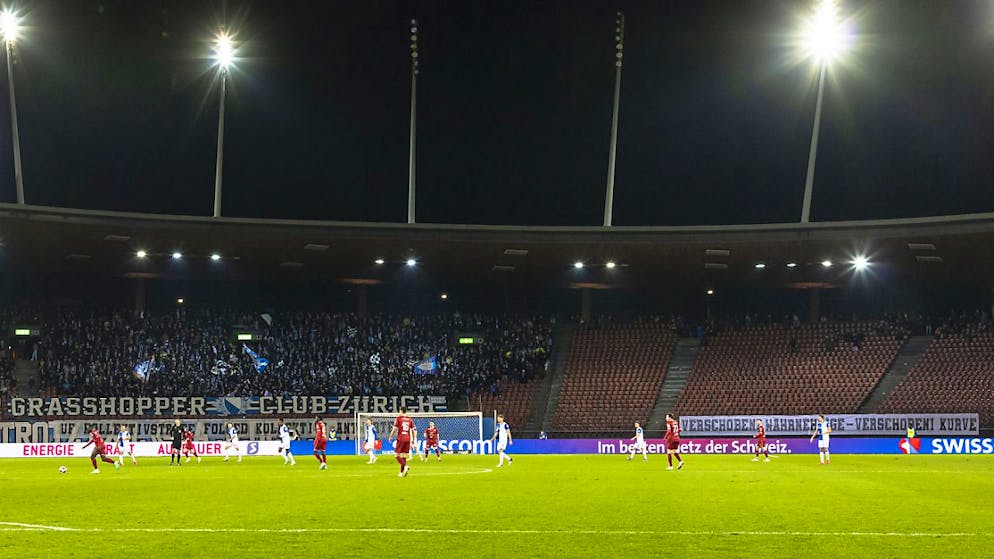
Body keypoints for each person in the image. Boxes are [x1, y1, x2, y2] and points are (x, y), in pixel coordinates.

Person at [388, 406, 416, 477]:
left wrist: (390, 436)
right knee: (404, 456)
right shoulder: (410, 419)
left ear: (401, 411)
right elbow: (413, 430)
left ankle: (405, 466)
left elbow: (394, 429)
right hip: (408, 439)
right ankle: (401, 473)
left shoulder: (398, 418)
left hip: (401, 438)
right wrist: (413, 440)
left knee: (396, 455)